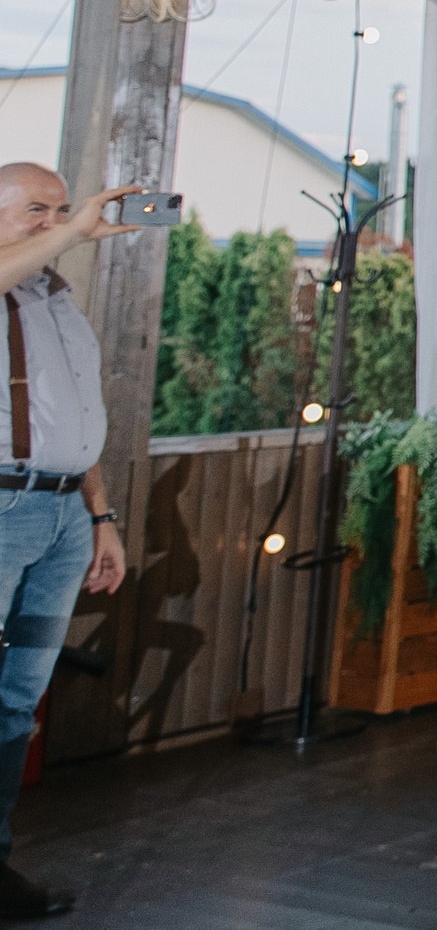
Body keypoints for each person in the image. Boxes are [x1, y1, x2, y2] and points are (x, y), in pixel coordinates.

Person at [0, 165, 135, 920]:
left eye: (61, 209)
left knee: (18, 699)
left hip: (62, 519)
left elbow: (79, 423)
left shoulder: (55, 301)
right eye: (35, 210)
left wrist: (101, 517)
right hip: (2, 510)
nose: (55, 222)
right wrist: (74, 230)